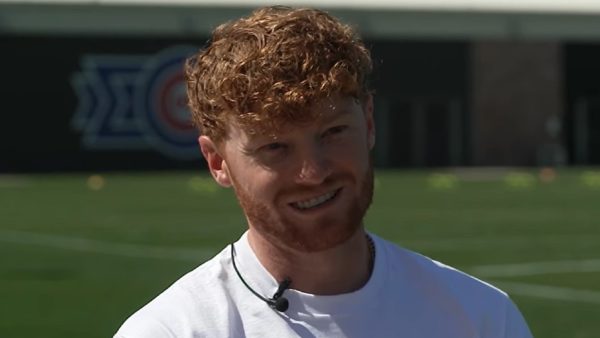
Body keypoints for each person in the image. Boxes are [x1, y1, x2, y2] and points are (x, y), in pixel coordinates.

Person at [115, 6, 533, 338]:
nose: (312, 173)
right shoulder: (173, 330)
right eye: (275, 147)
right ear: (217, 162)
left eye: (333, 132)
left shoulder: (480, 318)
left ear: (368, 123)